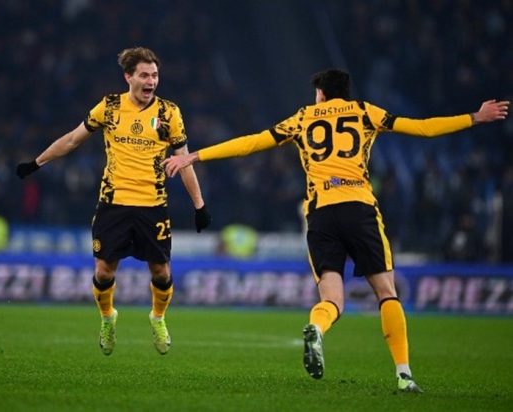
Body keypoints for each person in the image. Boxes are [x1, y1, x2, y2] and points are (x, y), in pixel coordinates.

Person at [163, 68, 509, 391]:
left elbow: (251, 143)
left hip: (321, 214)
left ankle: (317, 327)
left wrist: (195, 157)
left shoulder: (303, 117)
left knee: (331, 299)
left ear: (321, 94)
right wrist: (474, 117)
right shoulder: (364, 112)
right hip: (359, 208)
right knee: (386, 293)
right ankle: (404, 374)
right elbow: (423, 128)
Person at [16, 47, 211, 356]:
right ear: (128, 77)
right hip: (113, 203)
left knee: (161, 272)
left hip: (152, 204)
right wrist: (36, 163)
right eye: (144, 75)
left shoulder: (169, 113)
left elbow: (183, 161)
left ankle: (158, 318)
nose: (151, 81)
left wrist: (199, 205)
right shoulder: (109, 107)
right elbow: (72, 139)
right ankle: (108, 318)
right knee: (104, 271)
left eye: (155, 75)